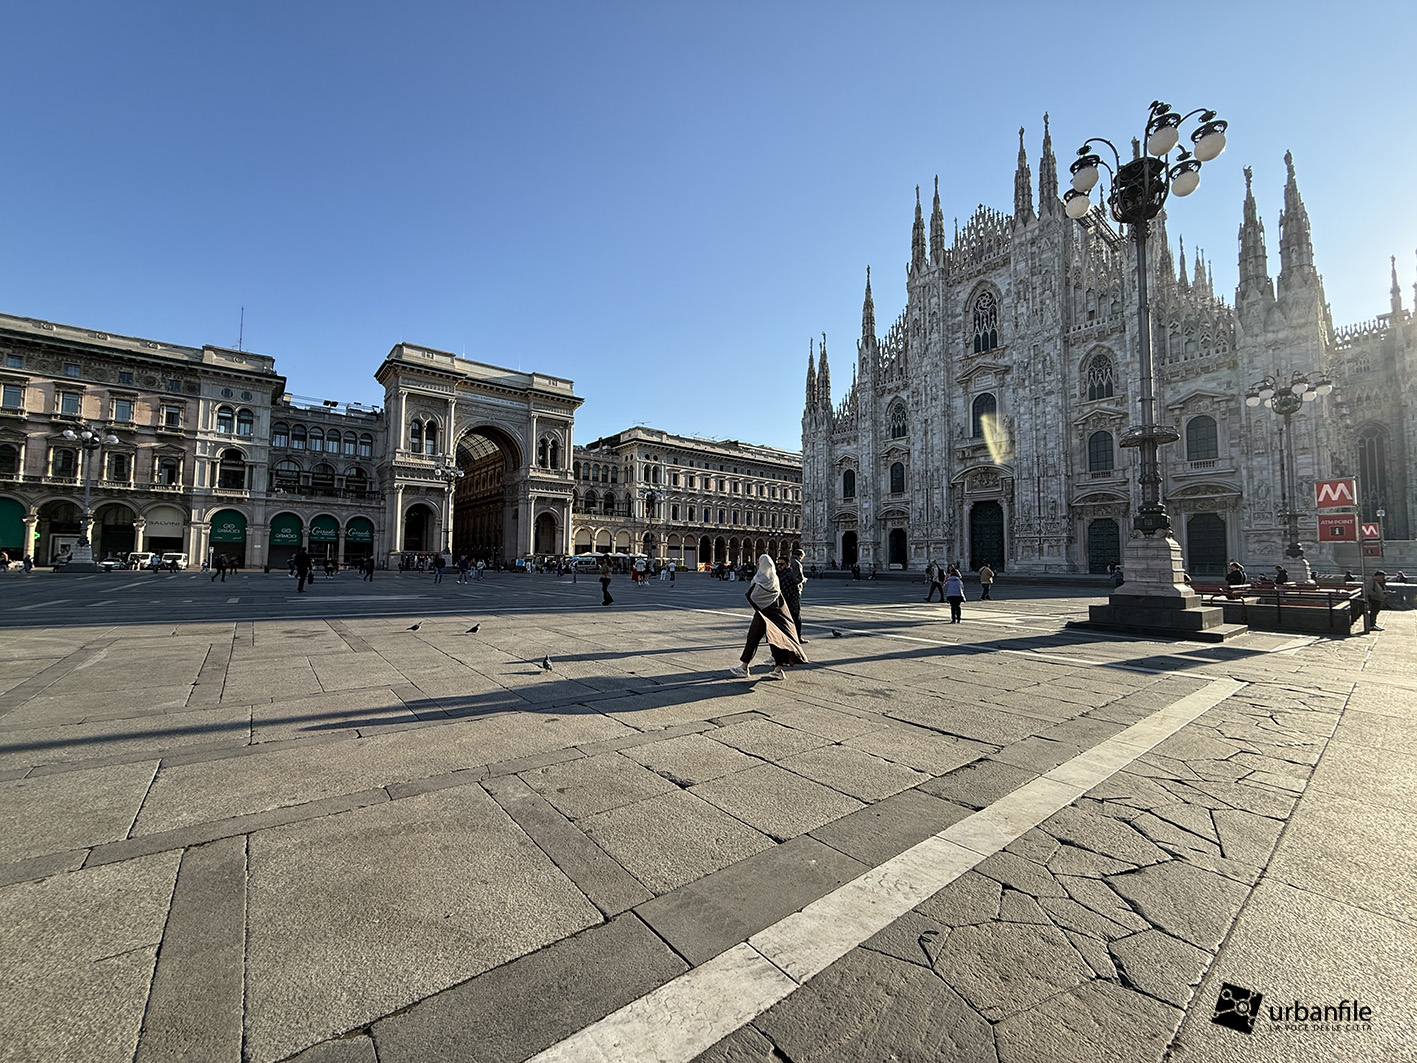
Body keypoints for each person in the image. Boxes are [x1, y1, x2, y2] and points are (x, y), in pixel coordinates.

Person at [728, 555, 807, 680]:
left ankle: (747, 668)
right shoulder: (774, 578)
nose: (757, 565)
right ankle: (770, 669)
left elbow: (754, 596)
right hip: (771, 613)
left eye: (759, 563)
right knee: (770, 640)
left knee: (755, 639)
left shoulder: (762, 578)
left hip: (765, 612)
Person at [780, 548, 808, 642]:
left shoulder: (789, 561)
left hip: (784, 593)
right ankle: (797, 637)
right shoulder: (797, 563)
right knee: (796, 616)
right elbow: (799, 578)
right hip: (794, 593)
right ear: (800, 556)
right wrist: (802, 580)